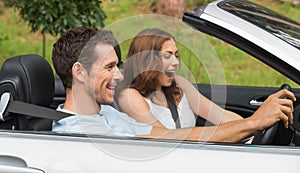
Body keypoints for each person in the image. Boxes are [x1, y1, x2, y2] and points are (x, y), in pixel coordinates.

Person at [51, 26, 295, 143]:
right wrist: (254, 123)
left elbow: (167, 134)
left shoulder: (106, 113)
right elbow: (170, 141)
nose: (118, 75)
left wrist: (251, 126)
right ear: (80, 73)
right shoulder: (84, 135)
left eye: (117, 66)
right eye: (108, 67)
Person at [116, 28, 296, 139]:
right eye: (167, 56)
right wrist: (253, 123)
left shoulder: (180, 85)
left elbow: (221, 116)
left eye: (177, 55)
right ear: (147, 60)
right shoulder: (130, 96)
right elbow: (167, 139)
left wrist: (256, 126)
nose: (176, 63)